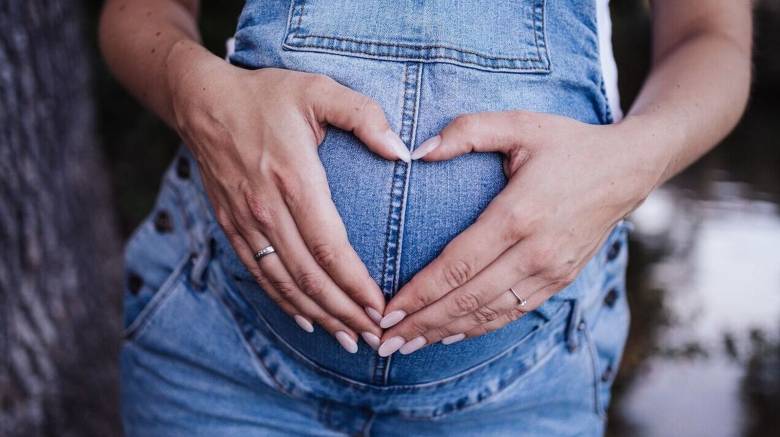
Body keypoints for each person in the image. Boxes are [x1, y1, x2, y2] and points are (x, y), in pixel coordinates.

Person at [100, 0, 751, 435]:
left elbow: (710, 36)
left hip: (525, 386)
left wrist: (632, 162)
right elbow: (137, 13)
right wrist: (197, 95)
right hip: (222, 352)